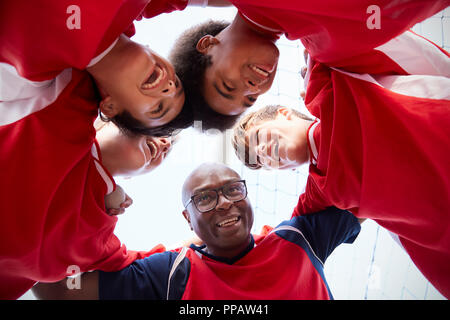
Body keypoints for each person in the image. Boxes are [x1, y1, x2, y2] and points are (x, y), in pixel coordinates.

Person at [230, 28, 450, 297]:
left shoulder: (325, 87)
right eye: (261, 161)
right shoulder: (322, 189)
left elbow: (319, 25)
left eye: (260, 138)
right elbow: (283, 240)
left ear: (285, 114)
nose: (264, 152)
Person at [31, 162, 361, 300]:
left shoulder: (299, 238)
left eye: (233, 189)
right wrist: (94, 201)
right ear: (188, 219)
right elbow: (57, 289)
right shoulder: (169, 272)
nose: (223, 203)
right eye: (204, 198)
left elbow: (367, 193)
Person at [167, 0, 448, 133]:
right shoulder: (331, 50)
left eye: (229, 86)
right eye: (250, 99)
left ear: (207, 44)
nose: (252, 88)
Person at [0, 112, 173, 299]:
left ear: (133, 175)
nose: (167, 143)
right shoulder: (61, 119)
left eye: (168, 148)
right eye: (159, 128)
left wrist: (202, 237)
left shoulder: (99, 236)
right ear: (107, 116)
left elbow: (156, 266)